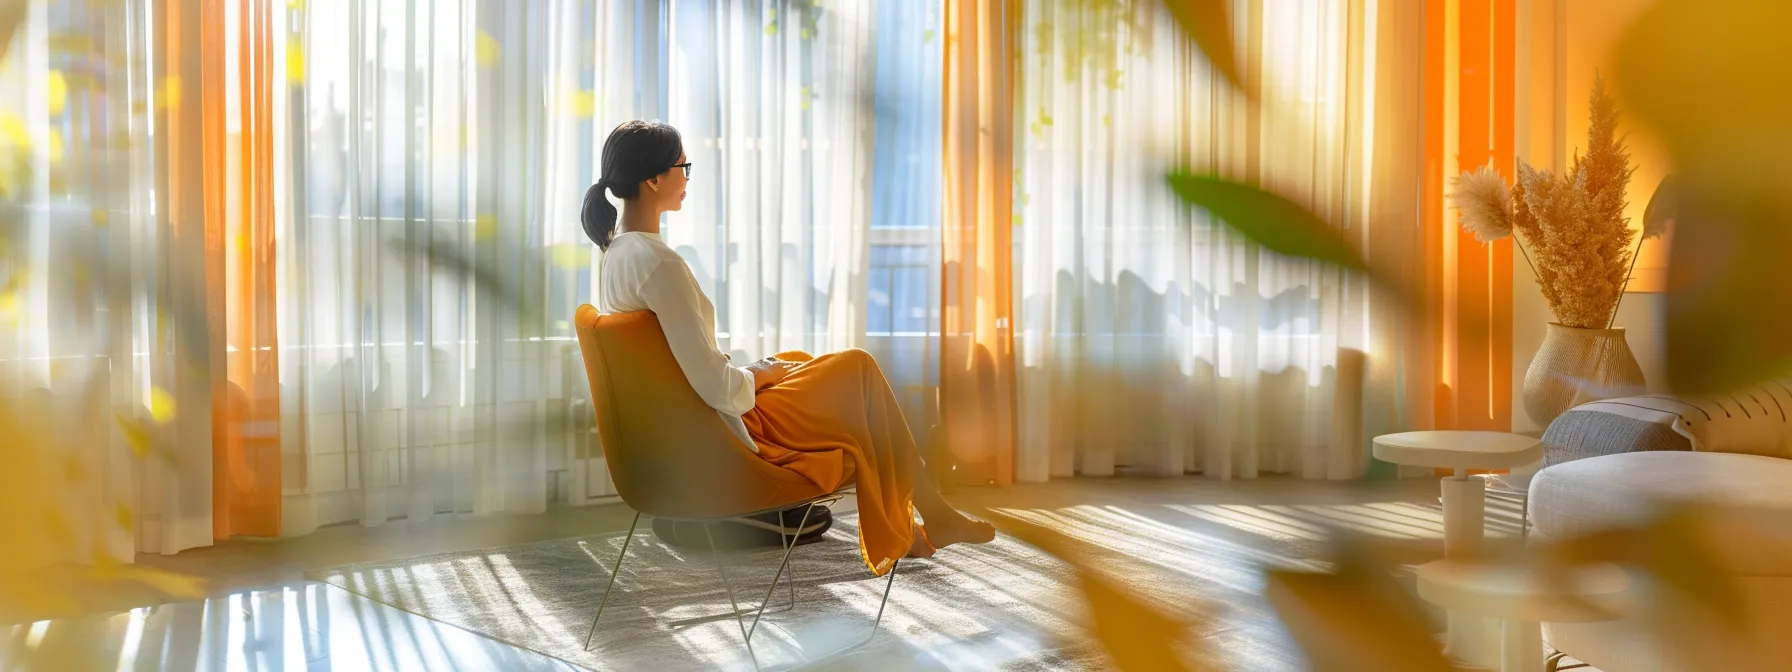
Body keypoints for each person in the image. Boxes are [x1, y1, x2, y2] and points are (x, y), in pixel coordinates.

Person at [581, 121, 995, 575]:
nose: (687, 177)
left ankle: (918, 522)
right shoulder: (659, 265)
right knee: (858, 370)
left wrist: (763, 371)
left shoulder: (617, 255)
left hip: (689, 427)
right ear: (654, 179)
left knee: (802, 364)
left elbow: (686, 371)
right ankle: (926, 516)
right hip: (722, 437)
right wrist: (758, 376)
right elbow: (718, 388)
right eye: (684, 166)